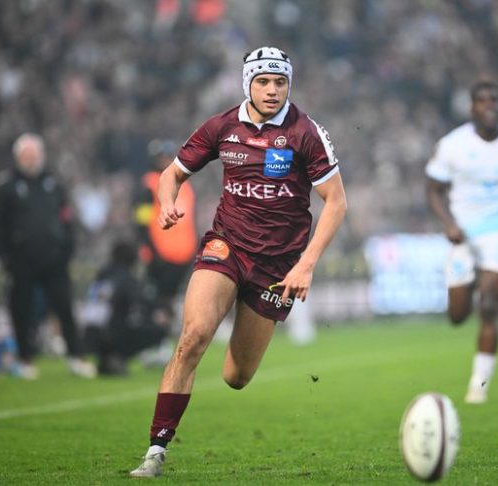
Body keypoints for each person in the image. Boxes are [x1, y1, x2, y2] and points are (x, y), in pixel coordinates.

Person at [130, 46, 347, 478]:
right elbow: (172, 173)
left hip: (277, 266)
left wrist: (305, 265)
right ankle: (156, 449)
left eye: (280, 82)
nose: (272, 90)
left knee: (237, 376)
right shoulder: (222, 126)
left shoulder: (306, 132)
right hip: (226, 245)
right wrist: (167, 203)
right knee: (193, 336)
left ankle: (226, 366)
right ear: (247, 83)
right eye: (263, 81)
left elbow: (337, 203)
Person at [425, 81, 498, 405]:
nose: (489, 105)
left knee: (489, 305)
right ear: (471, 107)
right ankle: (471, 279)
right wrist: (448, 224)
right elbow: (433, 189)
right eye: (482, 100)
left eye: (495, 99)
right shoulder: (452, 145)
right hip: (463, 235)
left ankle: (480, 384)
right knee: (458, 315)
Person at [0, 133, 96, 380]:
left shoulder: (53, 184)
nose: (30, 159)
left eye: (34, 154)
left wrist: (67, 249)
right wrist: (5, 255)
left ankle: (76, 357)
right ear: (17, 158)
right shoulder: (6, 187)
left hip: (54, 260)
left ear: (42, 156)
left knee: (65, 309)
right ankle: (24, 359)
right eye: (26, 155)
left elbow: (67, 219)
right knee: (21, 311)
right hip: (21, 261)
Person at [134, 138, 197, 324]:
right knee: (156, 300)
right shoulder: (149, 186)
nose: (165, 160)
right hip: (160, 255)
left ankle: (163, 337)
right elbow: (141, 224)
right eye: (161, 156)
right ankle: (153, 337)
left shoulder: (185, 185)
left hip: (183, 255)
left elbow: (190, 221)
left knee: (170, 301)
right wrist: (151, 251)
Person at [83, 239, 168, 376]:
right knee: (158, 330)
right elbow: (140, 303)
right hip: (110, 335)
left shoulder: (102, 275)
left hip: (89, 334)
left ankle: (106, 360)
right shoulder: (125, 278)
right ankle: (116, 357)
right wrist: (159, 311)